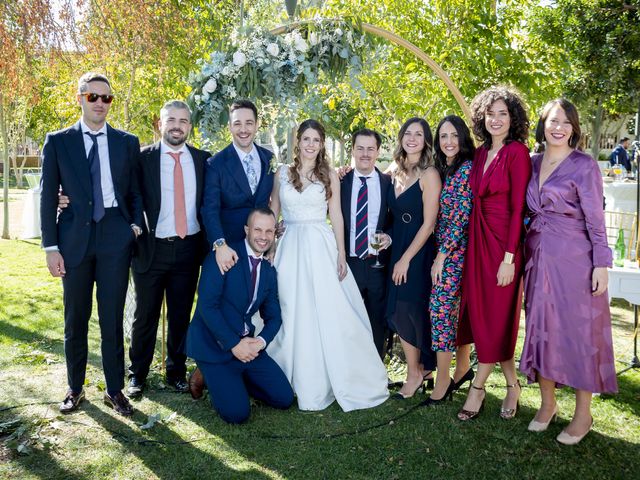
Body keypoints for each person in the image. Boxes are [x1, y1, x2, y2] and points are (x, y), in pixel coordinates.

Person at [267, 119, 389, 412]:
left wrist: (341, 254)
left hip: (320, 246)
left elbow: (336, 216)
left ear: (322, 145)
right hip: (290, 245)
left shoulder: (330, 176)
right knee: (289, 307)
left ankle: (330, 375)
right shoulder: (282, 173)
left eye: (316, 140)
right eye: (306, 139)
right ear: (298, 142)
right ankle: (284, 375)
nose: (311, 145)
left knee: (325, 309)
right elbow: (274, 210)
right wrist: (271, 246)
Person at [40, 72, 143, 416]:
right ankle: (75, 387)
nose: (101, 103)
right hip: (73, 240)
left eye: (106, 98)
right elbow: (46, 197)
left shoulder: (127, 142)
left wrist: (133, 227)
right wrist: (50, 247)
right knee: (76, 318)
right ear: (80, 98)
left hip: (115, 235)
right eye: (93, 97)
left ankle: (114, 390)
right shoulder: (57, 141)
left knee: (112, 318)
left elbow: (135, 191)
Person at [520, 99, 618, 445]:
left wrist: (601, 264)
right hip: (538, 259)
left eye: (565, 122)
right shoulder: (530, 164)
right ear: (542, 125)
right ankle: (547, 405)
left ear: (574, 128)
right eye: (552, 121)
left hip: (576, 260)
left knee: (579, 336)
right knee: (541, 329)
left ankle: (583, 414)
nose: (558, 127)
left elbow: (596, 219)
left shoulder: (584, 166)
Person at [456, 86, 532, 421]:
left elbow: (518, 209)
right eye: (491, 113)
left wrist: (509, 259)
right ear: (482, 117)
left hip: (504, 243)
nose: (496, 119)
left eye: (503, 114)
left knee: (498, 316)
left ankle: (478, 386)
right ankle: (513, 385)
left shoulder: (517, 153)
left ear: (512, 118)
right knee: (483, 316)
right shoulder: (479, 153)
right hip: (477, 242)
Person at [126, 100, 211, 397]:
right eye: (171, 120)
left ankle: (176, 372)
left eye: (183, 121)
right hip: (151, 249)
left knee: (180, 315)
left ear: (190, 126)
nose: (177, 125)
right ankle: (137, 374)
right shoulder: (142, 159)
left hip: (189, 250)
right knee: (145, 316)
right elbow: (125, 196)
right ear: (159, 124)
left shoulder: (203, 160)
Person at [184, 208, 293, 423]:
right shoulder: (225, 256)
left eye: (269, 231)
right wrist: (234, 344)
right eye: (258, 230)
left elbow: (274, 317)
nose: (263, 237)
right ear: (246, 230)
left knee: (284, 398)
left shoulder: (269, 271)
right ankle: (206, 373)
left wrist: (260, 342)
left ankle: (234, 380)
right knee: (237, 415)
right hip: (215, 344)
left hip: (247, 345)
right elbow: (207, 307)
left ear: (274, 234)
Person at [385, 117, 441, 399]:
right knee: (395, 310)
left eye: (419, 134)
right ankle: (418, 369)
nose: (412, 138)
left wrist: (406, 259)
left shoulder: (429, 174)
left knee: (408, 310)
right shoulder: (394, 170)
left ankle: (415, 373)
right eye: (408, 133)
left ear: (426, 140)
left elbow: (429, 224)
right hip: (395, 248)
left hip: (416, 252)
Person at [424, 115, 475, 405]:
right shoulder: (446, 168)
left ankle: (443, 379)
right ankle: (462, 369)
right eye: (443, 136)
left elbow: (461, 216)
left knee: (440, 311)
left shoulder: (466, 169)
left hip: (454, 252)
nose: (449, 141)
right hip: (445, 249)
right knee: (452, 312)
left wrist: (442, 255)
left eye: (454, 135)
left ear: (463, 137)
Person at [201, 99, 274, 275]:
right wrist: (220, 244)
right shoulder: (215, 164)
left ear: (257, 125)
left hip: (262, 250)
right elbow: (209, 209)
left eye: (249, 123)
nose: (243, 129)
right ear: (230, 127)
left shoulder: (269, 159)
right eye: (237, 124)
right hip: (229, 252)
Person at [339, 128, 393, 357]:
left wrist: (388, 237)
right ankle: (347, 367)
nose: (365, 153)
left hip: (377, 265)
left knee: (377, 321)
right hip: (347, 263)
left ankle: (376, 370)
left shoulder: (388, 183)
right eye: (360, 148)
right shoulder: (341, 181)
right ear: (352, 150)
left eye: (370, 149)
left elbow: (395, 219)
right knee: (346, 320)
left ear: (378, 152)